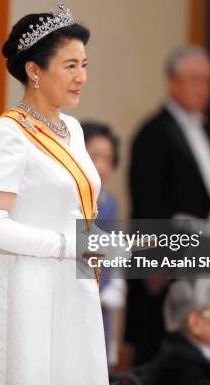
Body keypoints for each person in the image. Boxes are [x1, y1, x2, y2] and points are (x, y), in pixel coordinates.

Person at [0, 3, 110, 384]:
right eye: (70, 65)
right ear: (34, 70)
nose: (82, 77)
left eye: (85, 65)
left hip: (74, 285)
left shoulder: (74, 130)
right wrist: (65, 246)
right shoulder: (8, 133)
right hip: (29, 287)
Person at [126, 45, 210, 366]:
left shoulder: (207, 132)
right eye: (193, 79)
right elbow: (147, 201)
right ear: (172, 82)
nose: (202, 88)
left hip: (205, 258)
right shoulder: (153, 132)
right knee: (161, 350)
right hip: (167, 259)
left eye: (208, 80)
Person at [81, 121, 127, 369]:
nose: (101, 165)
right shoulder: (71, 202)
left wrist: (118, 280)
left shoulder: (109, 203)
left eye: (107, 158)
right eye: (94, 156)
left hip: (104, 299)